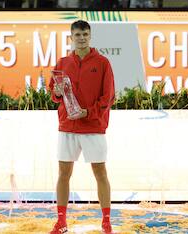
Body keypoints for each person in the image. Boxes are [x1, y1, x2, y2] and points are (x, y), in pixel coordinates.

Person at [49, 20, 115, 234]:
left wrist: (89, 112)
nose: (81, 37)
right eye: (77, 34)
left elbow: (109, 96)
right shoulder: (62, 62)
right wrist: (57, 92)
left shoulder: (103, 62)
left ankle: (106, 222)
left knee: (100, 172)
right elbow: (54, 94)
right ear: (71, 37)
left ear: (90, 35)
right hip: (67, 125)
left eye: (85, 34)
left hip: (93, 126)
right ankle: (61, 222)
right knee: (63, 173)